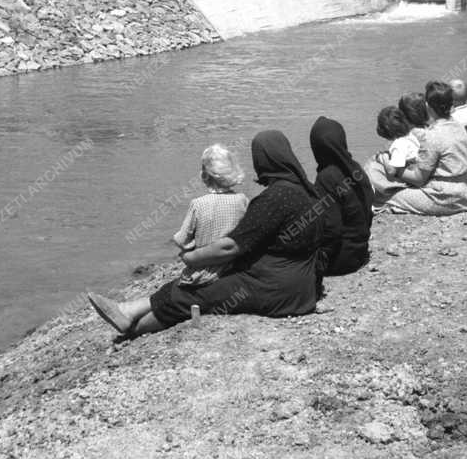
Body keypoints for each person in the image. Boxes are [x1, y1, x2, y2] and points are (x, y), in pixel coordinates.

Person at [87, 131, 322, 337]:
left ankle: (133, 330)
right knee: (185, 287)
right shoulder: (306, 192)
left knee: (191, 294)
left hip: (276, 290)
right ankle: (128, 311)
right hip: (300, 288)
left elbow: (230, 247)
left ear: (264, 160)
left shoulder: (275, 198)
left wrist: (192, 257)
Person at [382, 81, 467, 215]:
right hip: (464, 193)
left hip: (443, 197)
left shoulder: (432, 136)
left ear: (428, 106)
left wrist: (396, 170)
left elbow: (418, 179)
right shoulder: (459, 127)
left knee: (386, 196)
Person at [170, 145, 249, 287]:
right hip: (235, 269)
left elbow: (182, 240)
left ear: (204, 176)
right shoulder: (242, 200)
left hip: (203, 273)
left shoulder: (198, 204)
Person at [309, 117, 374, 278]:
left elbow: (331, 228)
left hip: (340, 260)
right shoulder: (355, 168)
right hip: (360, 252)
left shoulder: (326, 177)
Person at [365, 105, 420, 209]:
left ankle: (384, 192)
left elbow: (392, 171)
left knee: (371, 167)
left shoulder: (399, 145)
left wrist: (383, 156)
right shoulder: (410, 136)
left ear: (386, 128)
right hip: (414, 171)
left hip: (409, 180)